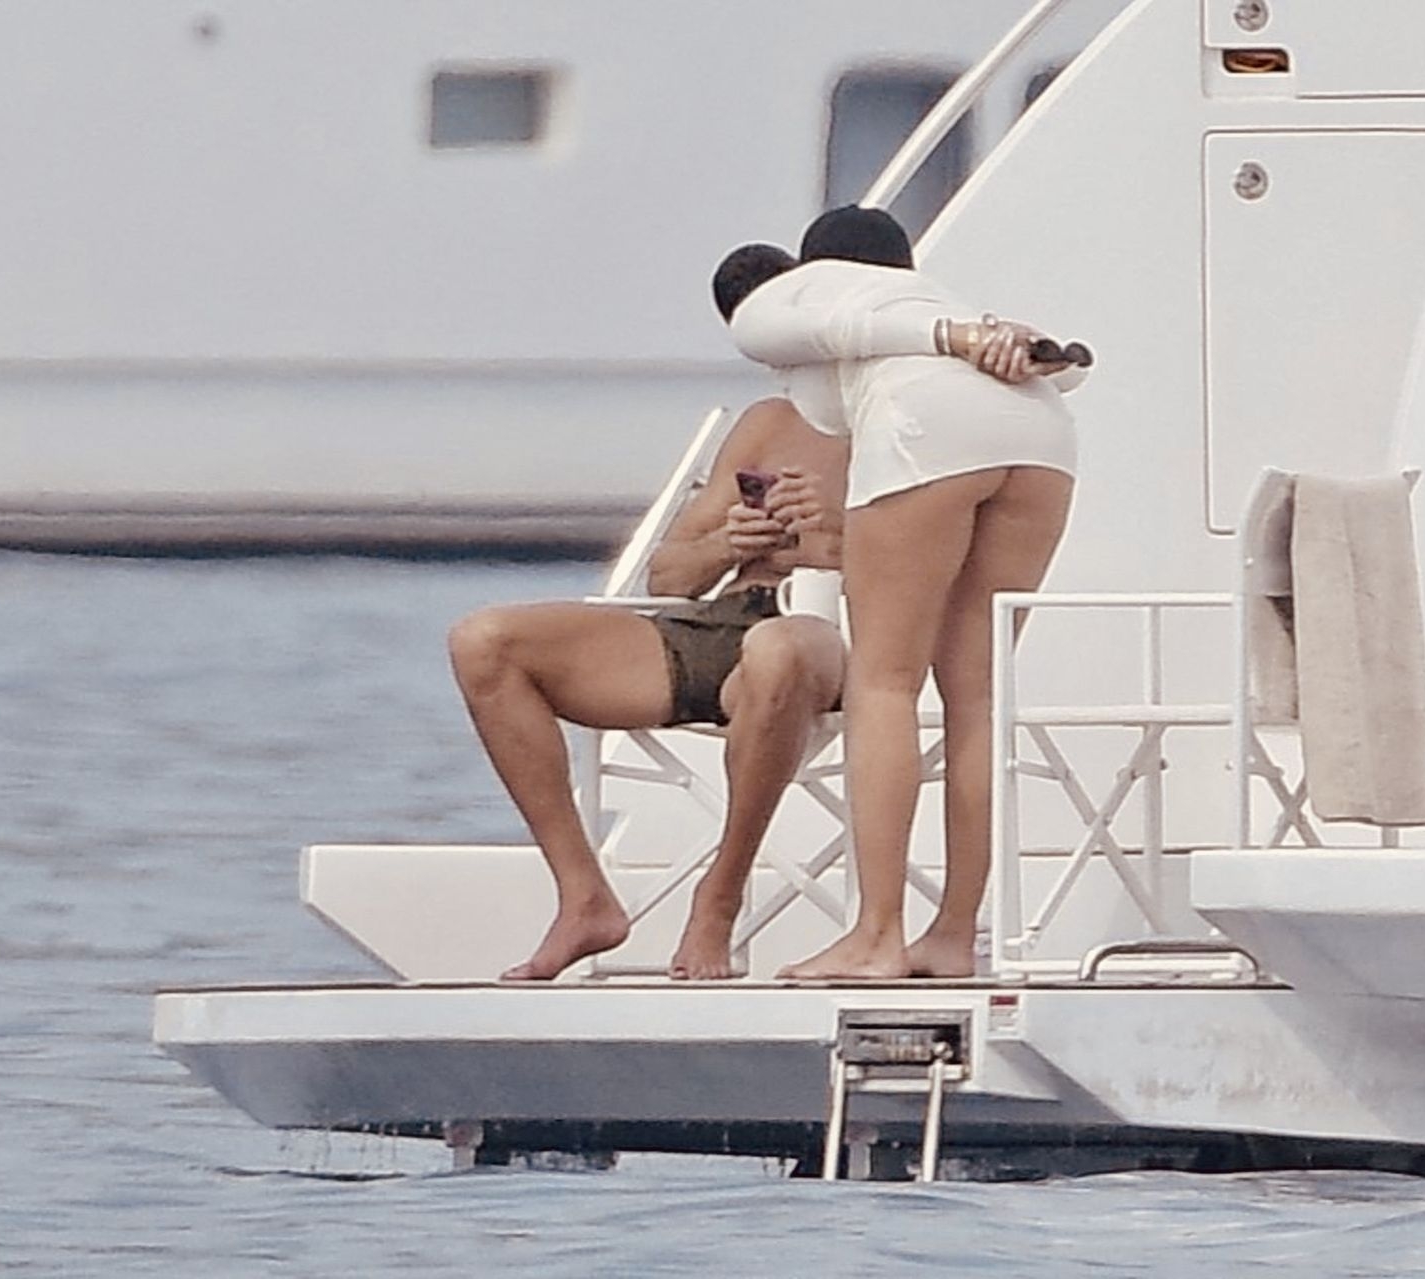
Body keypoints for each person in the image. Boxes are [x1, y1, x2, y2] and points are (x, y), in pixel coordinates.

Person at [448, 261, 848, 980]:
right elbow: (669, 577)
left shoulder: (916, 426)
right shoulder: (771, 422)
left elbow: (937, 573)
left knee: (777, 650)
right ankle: (584, 897)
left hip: (846, 634)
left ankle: (718, 901)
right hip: (732, 619)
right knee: (484, 642)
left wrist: (827, 534)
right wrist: (733, 542)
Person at [726, 205, 1082, 980]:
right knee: (977, 696)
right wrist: (970, 337)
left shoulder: (798, 295)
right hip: (1042, 433)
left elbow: (768, 329)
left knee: (885, 681)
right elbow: (1072, 372)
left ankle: (877, 934)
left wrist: (950, 341)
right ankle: (953, 935)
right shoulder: (941, 303)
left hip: (929, 425)